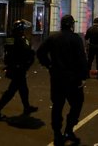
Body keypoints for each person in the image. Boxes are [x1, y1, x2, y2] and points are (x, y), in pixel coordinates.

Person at [37, 15, 88, 146]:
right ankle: (69, 129)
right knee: (77, 104)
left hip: (57, 78)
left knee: (57, 106)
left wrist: (48, 65)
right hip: (73, 79)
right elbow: (82, 59)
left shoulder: (53, 37)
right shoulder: (76, 38)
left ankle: (57, 133)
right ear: (71, 25)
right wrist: (83, 77)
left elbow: (40, 52)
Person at [0, 19, 37, 119]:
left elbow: (8, 51)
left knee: (23, 89)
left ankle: (27, 107)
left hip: (15, 67)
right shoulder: (20, 39)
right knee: (11, 92)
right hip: (18, 68)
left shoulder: (11, 38)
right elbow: (26, 51)